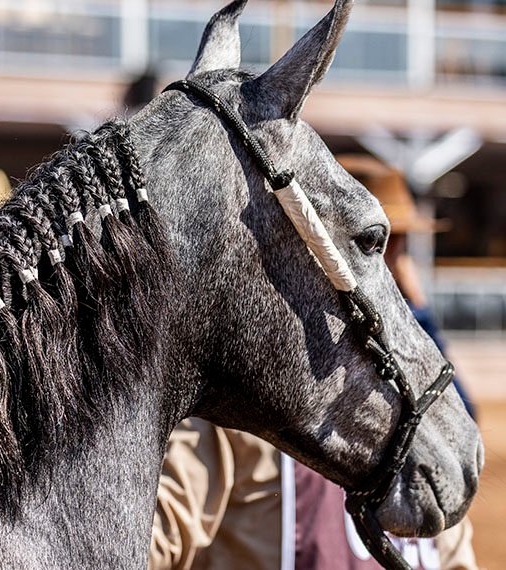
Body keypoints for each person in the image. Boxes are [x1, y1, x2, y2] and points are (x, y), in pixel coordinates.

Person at [151, 156, 477, 570]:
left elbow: (159, 533)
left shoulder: (420, 420)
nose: (398, 262)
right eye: (382, 245)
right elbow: (159, 532)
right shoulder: (243, 402)